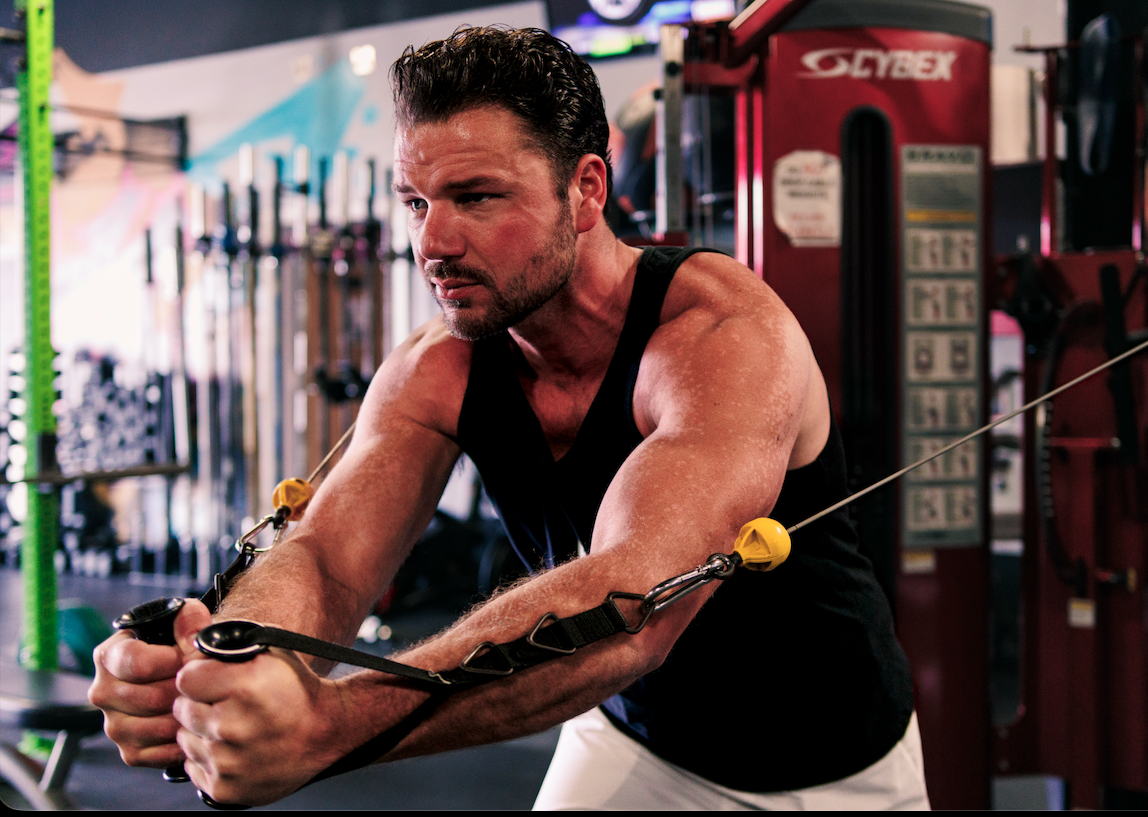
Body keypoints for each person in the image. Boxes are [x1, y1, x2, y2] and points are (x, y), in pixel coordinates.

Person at [89, 27, 927, 810]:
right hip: (631, 738)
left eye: (476, 196)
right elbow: (331, 558)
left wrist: (331, 723)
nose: (433, 242)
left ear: (586, 189)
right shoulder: (440, 366)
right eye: (415, 202)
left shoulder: (720, 338)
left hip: (830, 765)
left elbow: (629, 613)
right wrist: (233, 664)